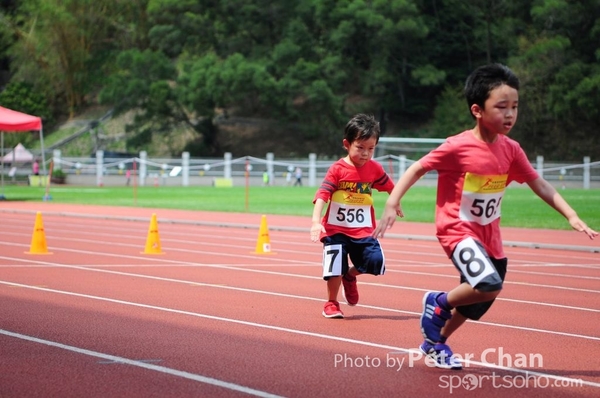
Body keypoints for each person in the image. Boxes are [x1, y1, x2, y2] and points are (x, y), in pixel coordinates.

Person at [372, 63, 598, 369]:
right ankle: (437, 302)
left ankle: (435, 343)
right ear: (477, 110)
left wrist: (570, 215)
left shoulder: (511, 149)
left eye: (515, 107)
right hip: (457, 230)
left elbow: (540, 183)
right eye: (501, 107)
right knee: (488, 283)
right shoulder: (458, 146)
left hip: (490, 239)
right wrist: (391, 201)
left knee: (478, 300)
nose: (510, 115)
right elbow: (417, 167)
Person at [311, 113, 401, 318]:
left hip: (362, 231)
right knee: (334, 266)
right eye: (360, 148)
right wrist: (316, 222)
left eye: (371, 149)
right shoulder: (337, 170)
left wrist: (395, 202)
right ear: (347, 144)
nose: (366, 154)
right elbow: (322, 194)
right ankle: (332, 303)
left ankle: (350, 277)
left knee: (376, 261)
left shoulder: (374, 169)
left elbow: (390, 186)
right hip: (335, 229)